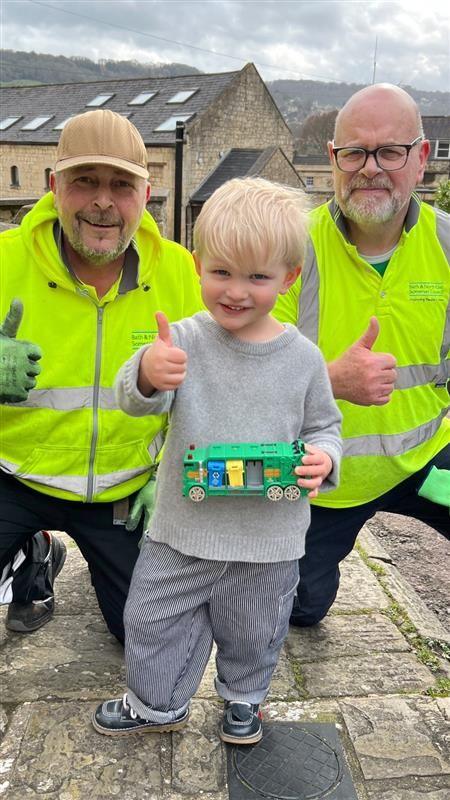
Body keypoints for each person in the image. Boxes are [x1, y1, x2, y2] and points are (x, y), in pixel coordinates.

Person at [92, 177, 342, 743]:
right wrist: (147, 374)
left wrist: (323, 459)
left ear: (289, 279)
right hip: (182, 530)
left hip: (268, 538)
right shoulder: (181, 340)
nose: (236, 291)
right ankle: (155, 704)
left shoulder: (303, 359)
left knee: (256, 628)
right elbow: (131, 399)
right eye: (222, 272)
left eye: (258, 277)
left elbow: (325, 427)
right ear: (200, 265)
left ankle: (244, 700)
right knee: (151, 619)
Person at [0, 109, 202, 641]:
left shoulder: (179, 270)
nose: (103, 201)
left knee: (144, 635)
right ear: (54, 185)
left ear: (147, 190)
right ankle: (34, 553)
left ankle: (45, 550)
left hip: (124, 487)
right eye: (84, 181)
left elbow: (213, 384)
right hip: (14, 477)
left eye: (120, 184)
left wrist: (171, 475)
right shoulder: (4, 260)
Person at [272, 83, 450, 628]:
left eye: (389, 151)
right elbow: (243, 371)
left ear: (421, 158)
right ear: (332, 160)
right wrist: (328, 379)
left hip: (426, 462)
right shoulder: (287, 245)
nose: (369, 168)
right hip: (324, 478)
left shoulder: (447, 245)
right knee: (302, 611)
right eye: (354, 152)